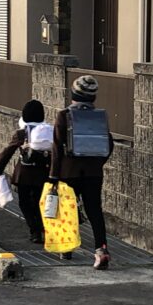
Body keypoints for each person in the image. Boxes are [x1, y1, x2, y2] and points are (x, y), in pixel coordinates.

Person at [49, 75, 114, 270]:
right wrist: (99, 163)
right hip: (94, 172)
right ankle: (101, 250)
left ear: (73, 94)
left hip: (69, 172)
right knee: (95, 211)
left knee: (68, 210)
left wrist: (53, 176)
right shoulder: (100, 116)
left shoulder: (64, 115)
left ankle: (67, 249)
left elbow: (56, 147)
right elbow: (108, 143)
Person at [0, 100, 51, 244]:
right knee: (40, 201)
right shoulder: (48, 131)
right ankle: (44, 228)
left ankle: (35, 231)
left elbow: (7, 152)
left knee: (24, 203)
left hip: (24, 174)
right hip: (44, 173)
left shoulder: (21, 133)